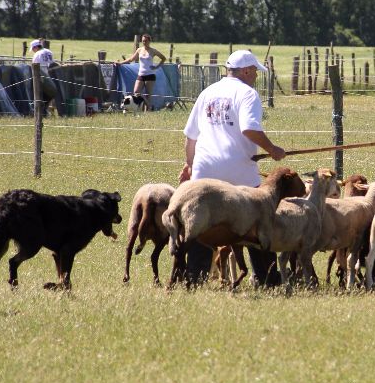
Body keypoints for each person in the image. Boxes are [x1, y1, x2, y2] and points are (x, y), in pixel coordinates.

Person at [179, 49, 287, 287]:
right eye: (254, 72)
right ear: (246, 71)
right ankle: (267, 277)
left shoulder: (208, 92)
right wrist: (272, 149)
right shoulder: (247, 93)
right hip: (238, 170)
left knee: (201, 225)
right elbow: (249, 128)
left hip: (205, 172)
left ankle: (194, 278)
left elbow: (191, 137)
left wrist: (190, 164)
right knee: (258, 222)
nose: (256, 76)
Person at [117, 34, 166, 110]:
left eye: (146, 41)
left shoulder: (153, 51)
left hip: (150, 75)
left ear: (149, 41)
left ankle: (147, 111)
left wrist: (156, 67)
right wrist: (120, 63)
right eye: (143, 41)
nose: (144, 42)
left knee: (148, 95)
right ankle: (150, 106)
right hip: (141, 75)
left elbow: (163, 58)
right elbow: (131, 59)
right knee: (136, 92)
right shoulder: (139, 50)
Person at [29, 39, 58, 114]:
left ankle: (40, 112)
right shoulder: (49, 52)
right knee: (49, 96)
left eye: (33, 49)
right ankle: (46, 111)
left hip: (41, 78)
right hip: (51, 77)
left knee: (39, 95)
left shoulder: (37, 54)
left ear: (35, 47)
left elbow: (34, 67)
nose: (33, 51)